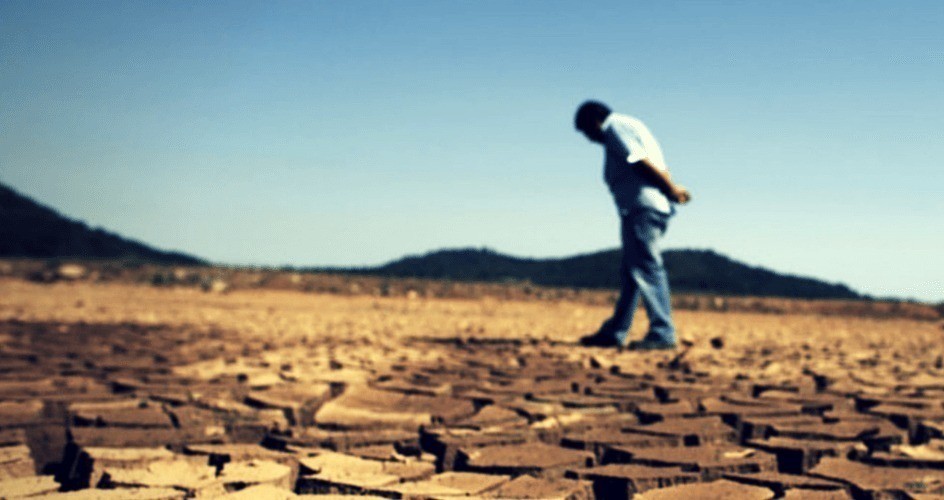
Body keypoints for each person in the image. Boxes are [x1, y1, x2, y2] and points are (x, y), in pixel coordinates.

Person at [574, 100, 691, 350]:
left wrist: (669, 188)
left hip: (642, 208)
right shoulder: (631, 126)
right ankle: (615, 331)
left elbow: (638, 159)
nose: (589, 138)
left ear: (594, 121)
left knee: (647, 268)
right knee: (633, 272)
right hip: (647, 207)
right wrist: (669, 188)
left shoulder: (616, 127)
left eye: (586, 131)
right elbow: (653, 161)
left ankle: (662, 332)